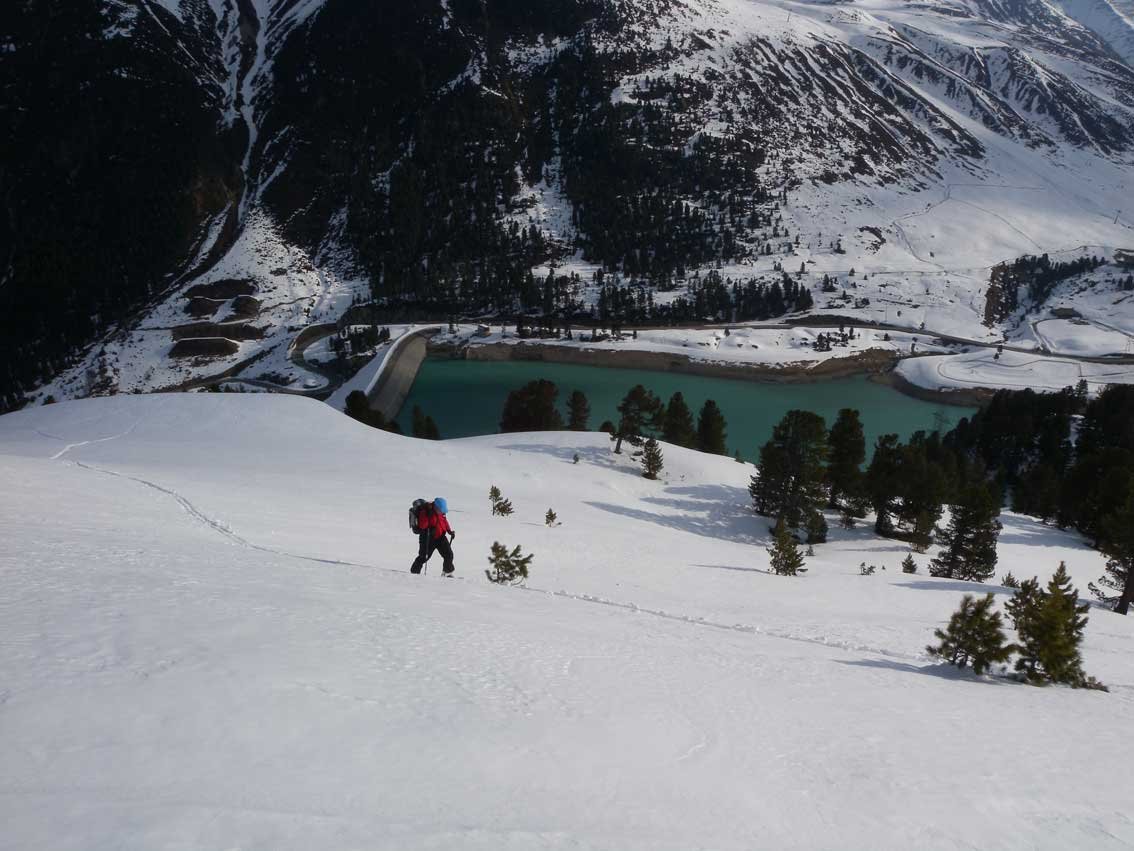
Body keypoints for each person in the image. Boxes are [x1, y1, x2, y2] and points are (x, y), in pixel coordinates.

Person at [410, 497, 455, 575]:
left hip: (440, 537)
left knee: (449, 555)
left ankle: (447, 573)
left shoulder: (441, 512)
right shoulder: (426, 511)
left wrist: (449, 531)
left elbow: (444, 521)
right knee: (423, 557)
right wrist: (429, 518)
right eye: (440, 510)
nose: (441, 512)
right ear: (436, 507)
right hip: (428, 538)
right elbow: (422, 526)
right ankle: (414, 573)